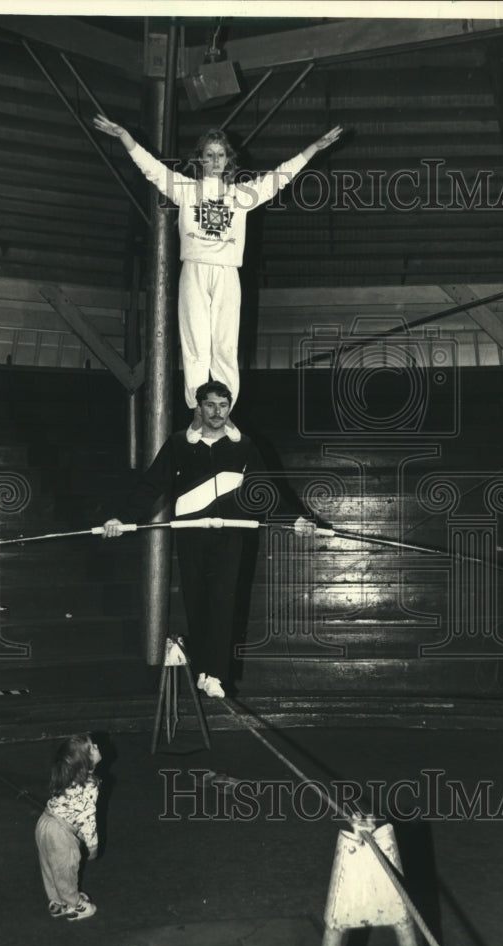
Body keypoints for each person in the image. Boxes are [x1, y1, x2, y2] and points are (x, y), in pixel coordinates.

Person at [92, 113, 342, 431]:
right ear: (200, 159)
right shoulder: (185, 189)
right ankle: (199, 414)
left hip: (227, 273)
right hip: (194, 271)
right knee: (195, 344)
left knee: (225, 345)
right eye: (208, 154)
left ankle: (224, 415)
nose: (214, 160)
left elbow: (280, 177)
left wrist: (313, 149)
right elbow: (152, 170)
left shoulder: (241, 195)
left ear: (228, 160)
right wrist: (125, 136)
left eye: (220, 154)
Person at [101, 380, 314, 696]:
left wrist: (294, 518)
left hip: (231, 534)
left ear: (230, 408)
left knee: (222, 600)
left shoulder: (244, 446)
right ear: (198, 407)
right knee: (197, 601)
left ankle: (215, 673)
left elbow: (265, 491)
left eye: (223, 405)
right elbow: (151, 485)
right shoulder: (178, 444)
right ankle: (203, 669)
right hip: (191, 535)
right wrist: (122, 518)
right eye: (211, 405)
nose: (218, 412)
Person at [35, 733, 102, 920]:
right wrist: (93, 846)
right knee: (66, 869)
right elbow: (88, 818)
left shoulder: (67, 775)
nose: (97, 746)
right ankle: (75, 905)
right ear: (85, 761)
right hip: (60, 832)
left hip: (44, 822)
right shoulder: (89, 786)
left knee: (50, 866)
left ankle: (57, 902)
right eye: (92, 747)